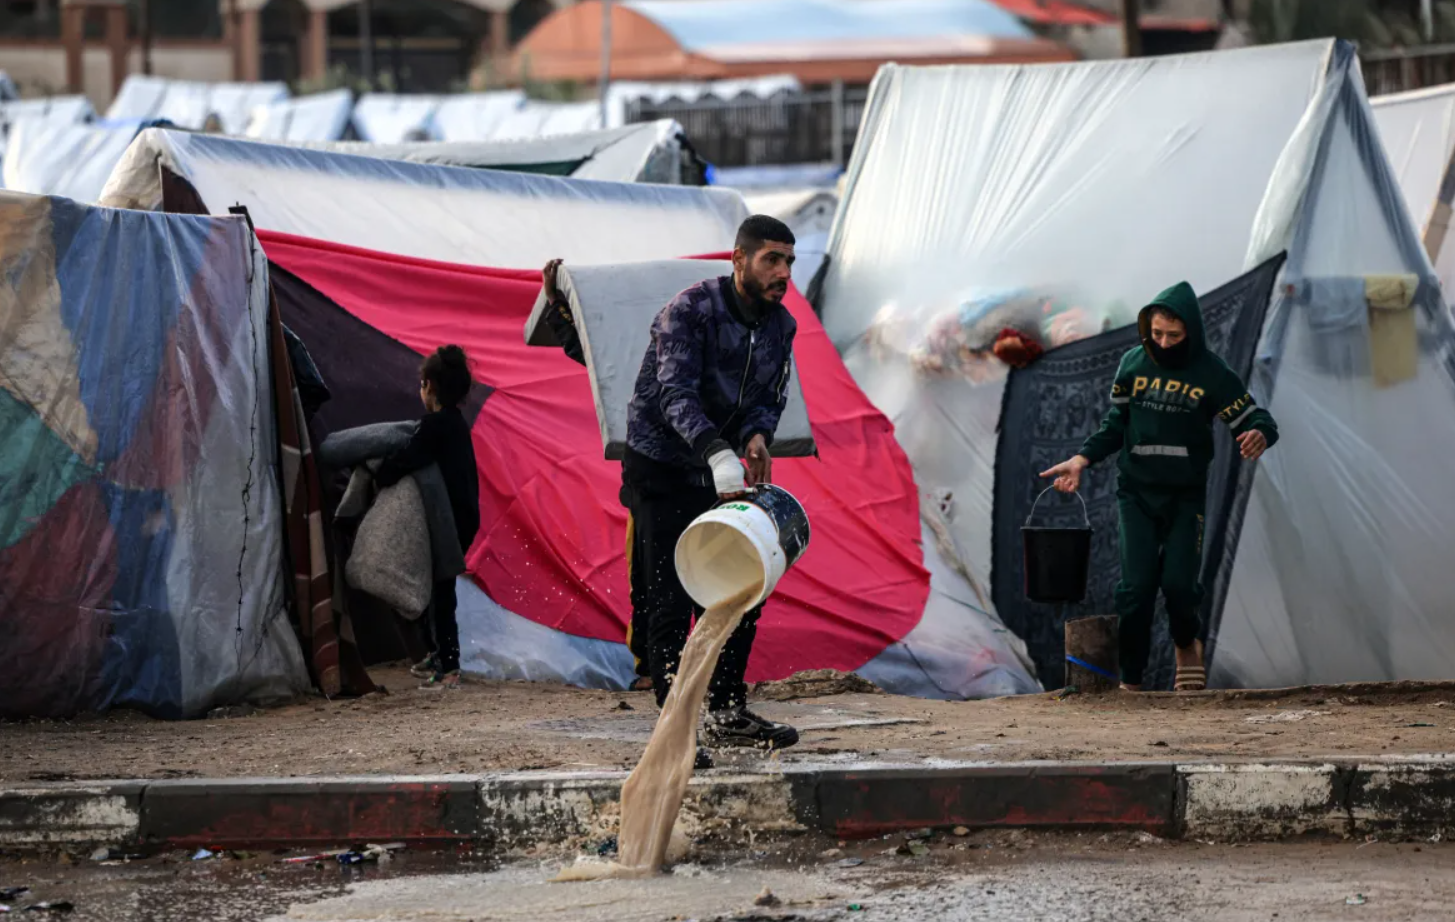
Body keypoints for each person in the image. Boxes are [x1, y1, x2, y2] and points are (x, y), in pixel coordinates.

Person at [1039, 282, 1278, 692]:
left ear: (1191, 332)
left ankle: (1187, 642)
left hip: (1185, 496)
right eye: (1157, 333)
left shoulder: (1211, 373)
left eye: (1174, 335)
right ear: (1147, 327)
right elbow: (1115, 426)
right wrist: (1081, 460)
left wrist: (1258, 433)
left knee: (1181, 586)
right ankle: (1131, 680)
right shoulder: (1132, 364)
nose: (1164, 343)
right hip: (1136, 494)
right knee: (1135, 589)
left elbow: (1257, 419)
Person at [624, 214, 801, 757]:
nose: (783, 273)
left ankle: (725, 712)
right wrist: (715, 451)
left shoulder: (780, 324)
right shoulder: (690, 310)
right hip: (662, 463)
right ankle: (675, 728)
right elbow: (673, 395)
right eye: (772, 259)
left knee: (741, 587)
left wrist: (755, 436)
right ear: (738, 259)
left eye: (790, 262)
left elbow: (770, 394)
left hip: (722, 469)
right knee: (670, 597)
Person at [540, 259, 654, 692]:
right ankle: (651, 668)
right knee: (647, 577)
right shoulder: (629, 364)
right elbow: (587, 349)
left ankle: (678, 668)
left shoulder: (693, 355)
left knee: (665, 577)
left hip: (684, 486)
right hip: (647, 489)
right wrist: (556, 303)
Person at [377, 345, 481, 690]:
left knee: (440, 590)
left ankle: (449, 664)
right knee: (436, 587)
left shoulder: (435, 426)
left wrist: (380, 473)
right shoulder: (454, 424)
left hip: (449, 523)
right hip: (462, 518)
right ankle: (439, 654)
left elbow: (407, 458)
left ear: (430, 387)